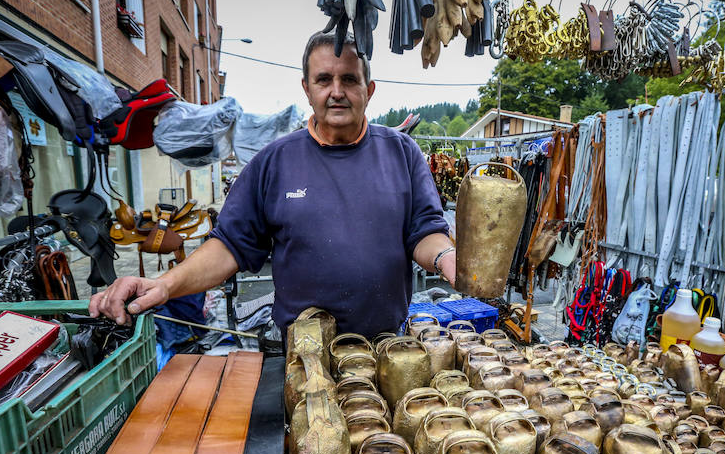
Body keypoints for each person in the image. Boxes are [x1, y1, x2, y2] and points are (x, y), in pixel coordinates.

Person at [90, 31, 456, 341]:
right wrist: (165, 285)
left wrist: (446, 258)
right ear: (307, 89)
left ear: (369, 89)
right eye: (324, 79)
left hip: (387, 344)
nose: (337, 91)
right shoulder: (274, 161)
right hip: (305, 354)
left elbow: (425, 231)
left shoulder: (401, 151)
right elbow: (230, 246)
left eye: (349, 79)